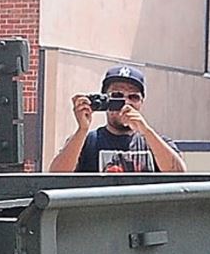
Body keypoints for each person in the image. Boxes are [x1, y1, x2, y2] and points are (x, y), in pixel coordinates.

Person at [52, 64, 185, 174]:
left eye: (133, 97)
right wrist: (82, 130)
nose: (125, 102)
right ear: (105, 100)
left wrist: (145, 130)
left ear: (141, 103)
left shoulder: (155, 142)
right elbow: (56, 177)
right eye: (117, 96)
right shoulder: (85, 141)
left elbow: (179, 175)